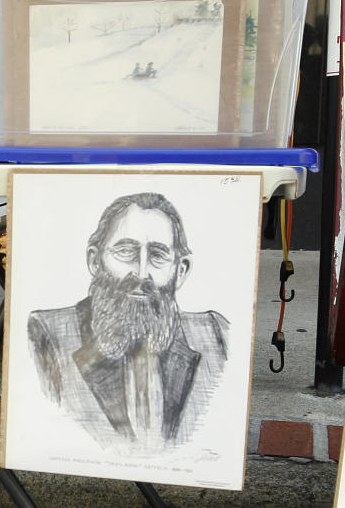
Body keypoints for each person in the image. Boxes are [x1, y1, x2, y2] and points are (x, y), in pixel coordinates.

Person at [27, 192, 228, 451]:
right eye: (125, 251)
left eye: (158, 255)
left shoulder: (216, 336)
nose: (142, 272)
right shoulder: (48, 334)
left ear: (181, 270)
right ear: (94, 260)